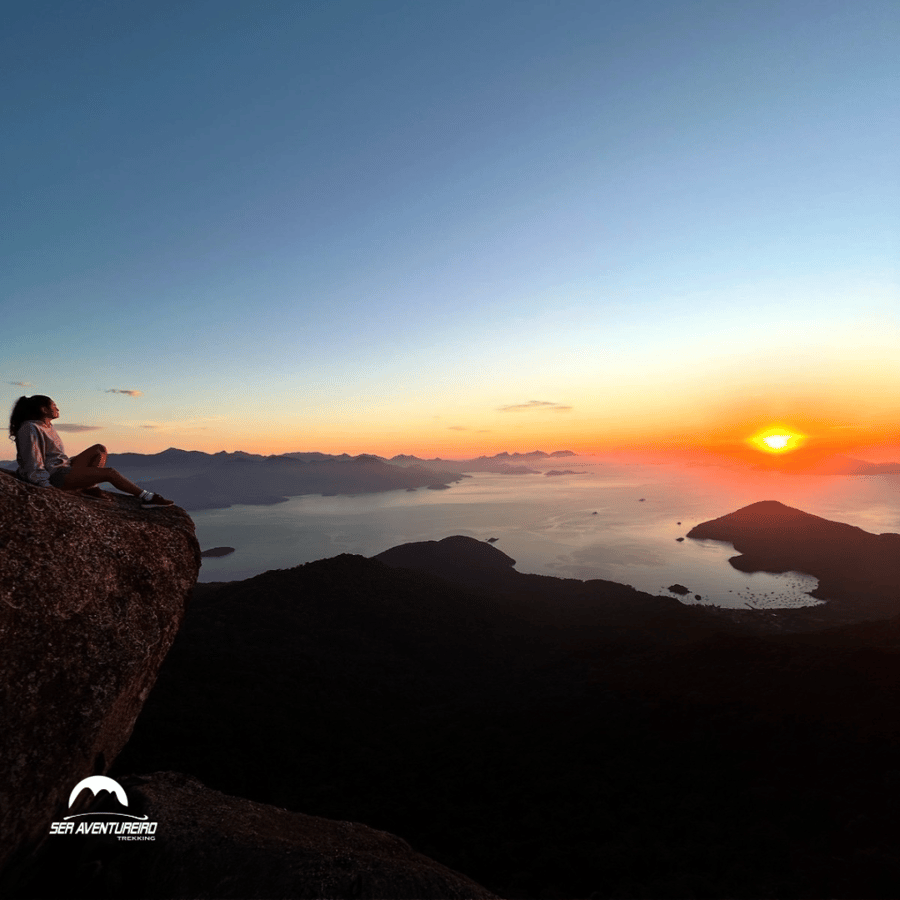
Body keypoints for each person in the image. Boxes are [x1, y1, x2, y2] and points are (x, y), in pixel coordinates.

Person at [8, 395, 174, 507]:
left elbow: (52, 456)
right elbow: (33, 461)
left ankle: (90, 486)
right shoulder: (30, 428)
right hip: (55, 476)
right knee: (109, 473)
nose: (57, 409)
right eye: (54, 406)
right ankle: (148, 497)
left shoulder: (47, 426)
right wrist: (45, 486)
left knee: (99, 449)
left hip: (63, 468)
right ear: (44, 410)